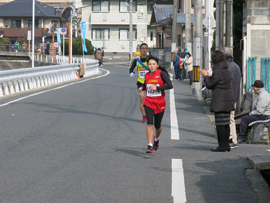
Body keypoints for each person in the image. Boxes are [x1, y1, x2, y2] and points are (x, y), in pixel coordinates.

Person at [199, 50, 234, 152]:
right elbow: (218, 82)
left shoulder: (218, 70)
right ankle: (226, 145)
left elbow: (210, 85)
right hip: (228, 98)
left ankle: (222, 146)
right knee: (226, 123)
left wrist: (205, 75)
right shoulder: (225, 68)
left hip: (220, 99)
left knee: (220, 124)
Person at [138, 57, 173, 153]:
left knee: (157, 125)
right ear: (147, 66)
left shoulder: (161, 74)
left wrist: (158, 88)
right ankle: (149, 145)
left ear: (157, 65)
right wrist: (142, 88)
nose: (151, 66)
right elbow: (146, 85)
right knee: (149, 123)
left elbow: (170, 85)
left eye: (153, 64)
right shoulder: (146, 75)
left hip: (159, 102)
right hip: (149, 101)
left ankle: (156, 139)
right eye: (149, 64)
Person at [223, 47, 241, 149]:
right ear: (232, 55)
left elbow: (226, 82)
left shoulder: (227, 67)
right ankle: (233, 139)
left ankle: (231, 140)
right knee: (231, 118)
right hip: (235, 96)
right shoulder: (236, 66)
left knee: (228, 119)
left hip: (228, 97)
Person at [129, 43, 150, 123]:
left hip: (150, 82)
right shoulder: (137, 60)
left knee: (151, 99)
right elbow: (131, 69)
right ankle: (144, 116)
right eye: (142, 48)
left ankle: (151, 113)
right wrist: (131, 73)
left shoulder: (150, 59)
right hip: (140, 82)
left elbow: (157, 67)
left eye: (145, 48)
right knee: (142, 98)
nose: (144, 50)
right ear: (140, 50)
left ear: (147, 50)